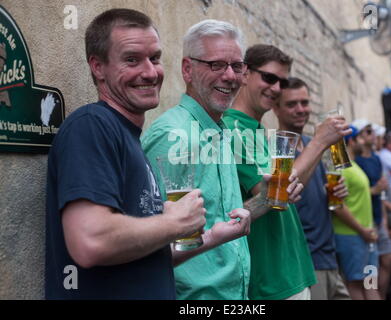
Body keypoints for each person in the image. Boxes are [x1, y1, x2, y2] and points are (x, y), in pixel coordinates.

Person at [45, 9, 209, 299]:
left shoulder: (127, 136)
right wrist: (175, 222)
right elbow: (90, 242)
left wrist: (217, 233)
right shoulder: (92, 126)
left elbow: (144, 257)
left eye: (155, 58)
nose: (150, 72)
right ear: (98, 67)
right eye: (132, 60)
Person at [141, 20, 301, 300]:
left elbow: (218, 219)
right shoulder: (176, 135)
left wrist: (265, 198)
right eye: (216, 65)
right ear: (187, 70)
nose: (229, 76)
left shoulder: (220, 130)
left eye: (237, 66)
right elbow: (152, 242)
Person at [223, 48, 350, 300]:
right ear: (245, 73)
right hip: (271, 280)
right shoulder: (233, 128)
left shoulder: (257, 130)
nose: (276, 88)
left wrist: (320, 146)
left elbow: (287, 191)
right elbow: (271, 194)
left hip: (296, 270)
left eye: (281, 82)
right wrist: (319, 142)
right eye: (270, 78)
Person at [271, 77, 350, 300]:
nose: (300, 109)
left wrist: (334, 193)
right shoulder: (278, 147)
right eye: (291, 104)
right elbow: (280, 197)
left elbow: (321, 195)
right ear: (276, 108)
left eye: (304, 103)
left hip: (330, 257)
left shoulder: (312, 143)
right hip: (305, 263)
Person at [332, 125, 381, 300]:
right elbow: (336, 204)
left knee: (370, 283)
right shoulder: (339, 166)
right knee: (355, 285)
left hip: (366, 235)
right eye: (360, 137)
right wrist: (362, 230)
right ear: (351, 141)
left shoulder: (352, 164)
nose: (364, 142)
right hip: (351, 236)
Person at [352, 119, 391, 299]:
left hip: (378, 218)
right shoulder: (357, 162)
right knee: (369, 271)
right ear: (359, 138)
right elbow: (354, 195)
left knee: (388, 261)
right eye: (368, 132)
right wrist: (375, 190)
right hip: (364, 222)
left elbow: (381, 192)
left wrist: (384, 221)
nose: (374, 135)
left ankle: (378, 295)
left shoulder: (376, 159)